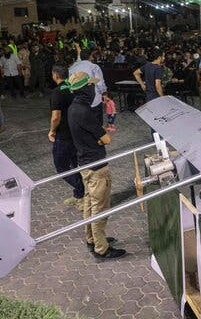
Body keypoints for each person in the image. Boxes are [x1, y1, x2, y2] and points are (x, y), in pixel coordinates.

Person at [67, 71, 124, 260]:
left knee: (90, 205)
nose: (94, 89)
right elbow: (106, 139)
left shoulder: (73, 108)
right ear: (85, 89)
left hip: (84, 164)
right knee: (100, 208)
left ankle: (91, 239)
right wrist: (100, 140)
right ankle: (102, 248)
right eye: (91, 86)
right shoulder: (86, 112)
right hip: (97, 167)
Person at [49, 64, 85, 210]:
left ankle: (82, 191)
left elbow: (55, 116)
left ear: (55, 75)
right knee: (75, 165)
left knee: (62, 167)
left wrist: (52, 130)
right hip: (75, 133)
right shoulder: (73, 89)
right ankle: (79, 195)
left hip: (63, 136)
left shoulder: (57, 92)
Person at [69, 44, 107, 126]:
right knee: (97, 124)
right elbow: (99, 83)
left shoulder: (72, 68)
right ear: (90, 56)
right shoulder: (94, 67)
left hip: (78, 100)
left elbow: (69, 83)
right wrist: (104, 93)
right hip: (94, 99)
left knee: (83, 123)